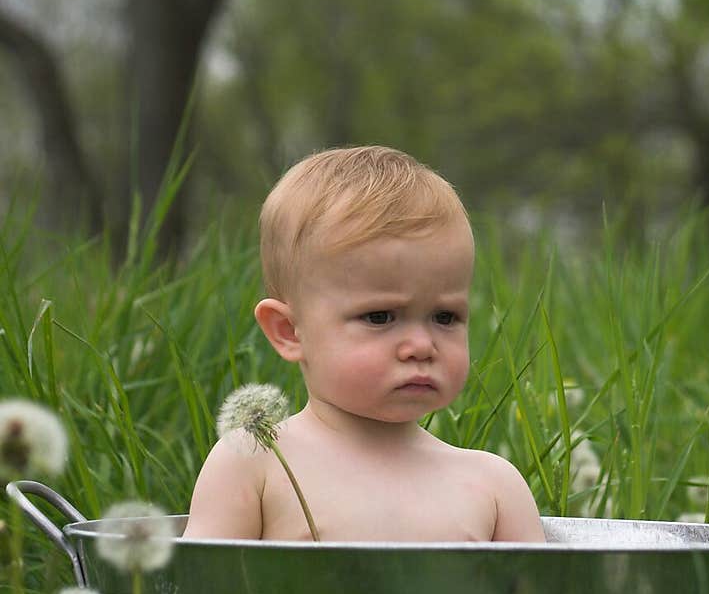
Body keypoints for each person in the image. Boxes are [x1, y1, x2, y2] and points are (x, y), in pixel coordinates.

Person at [184, 145, 546, 544]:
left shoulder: (493, 486)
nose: (422, 346)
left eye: (445, 317)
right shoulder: (254, 463)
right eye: (380, 317)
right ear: (289, 331)